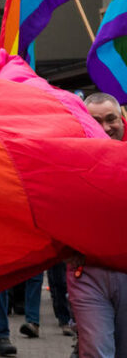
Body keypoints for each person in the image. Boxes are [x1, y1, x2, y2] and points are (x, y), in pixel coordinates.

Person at [65, 93, 127, 358]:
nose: (105, 128)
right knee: (98, 352)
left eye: (111, 119)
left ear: (122, 119)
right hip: (86, 273)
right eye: (96, 121)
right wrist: (63, 246)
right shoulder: (67, 156)